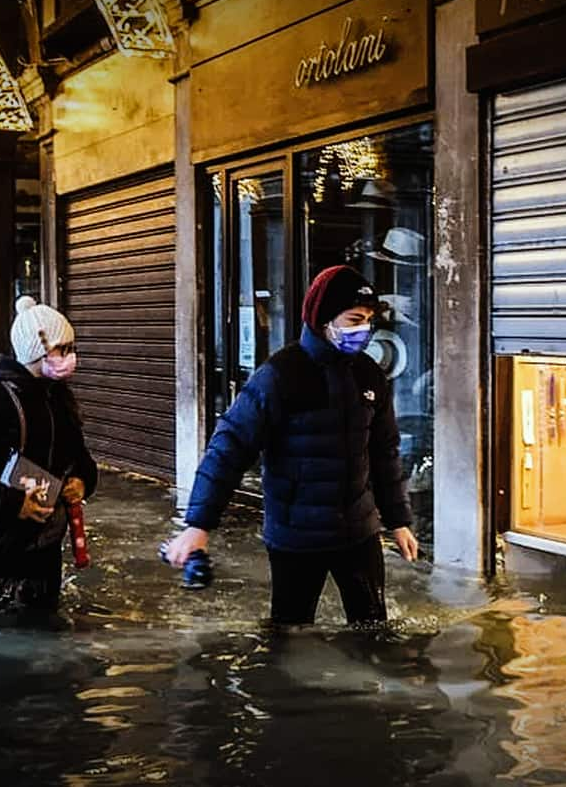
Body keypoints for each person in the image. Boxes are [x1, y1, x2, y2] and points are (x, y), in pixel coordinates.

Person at [165, 265, 419, 626]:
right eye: (353, 319)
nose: (363, 330)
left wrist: (399, 520)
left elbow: (384, 451)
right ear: (324, 319)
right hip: (296, 536)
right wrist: (198, 525)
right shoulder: (281, 374)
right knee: (290, 633)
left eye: (367, 320)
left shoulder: (368, 373)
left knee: (374, 630)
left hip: (359, 532)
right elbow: (229, 448)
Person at [0, 296, 98, 612]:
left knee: (45, 628)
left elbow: (80, 458)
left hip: (45, 543)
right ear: (39, 349)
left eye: (71, 348)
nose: (70, 356)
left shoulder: (59, 398)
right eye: (62, 348)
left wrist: (83, 482)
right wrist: (15, 503)